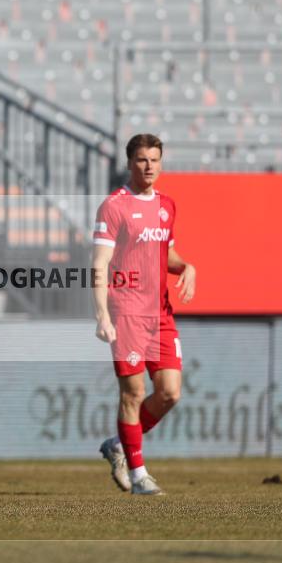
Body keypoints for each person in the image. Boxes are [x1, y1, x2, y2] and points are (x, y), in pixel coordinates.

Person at [92, 134, 196, 496]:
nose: (148, 166)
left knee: (169, 393)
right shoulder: (114, 207)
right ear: (129, 163)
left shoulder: (167, 206)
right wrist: (102, 314)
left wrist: (186, 267)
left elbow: (166, 254)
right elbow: (100, 263)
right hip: (126, 313)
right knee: (133, 393)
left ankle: (121, 445)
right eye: (141, 160)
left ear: (161, 163)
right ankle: (139, 477)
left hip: (161, 314)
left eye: (154, 159)